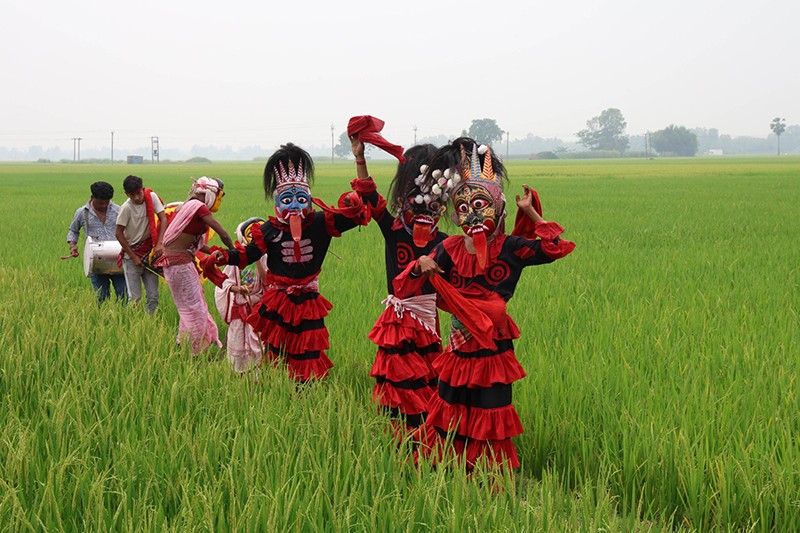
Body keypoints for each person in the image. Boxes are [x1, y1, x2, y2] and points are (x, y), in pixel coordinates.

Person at [394, 138, 575, 471]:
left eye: (481, 205)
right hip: (459, 348)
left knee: (490, 412)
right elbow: (406, 282)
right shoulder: (448, 248)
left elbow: (554, 249)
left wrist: (531, 213)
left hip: (493, 351)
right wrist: (421, 263)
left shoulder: (511, 247)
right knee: (449, 409)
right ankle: (446, 467)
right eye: (463, 207)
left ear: (499, 208)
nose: (472, 214)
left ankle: (489, 475)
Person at [206, 143, 376, 382]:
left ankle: (303, 397)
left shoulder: (320, 222)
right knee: (276, 355)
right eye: (287, 199)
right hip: (279, 302)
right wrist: (223, 255)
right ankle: (278, 397)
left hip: (308, 302)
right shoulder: (269, 230)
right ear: (277, 202)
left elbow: (362, 209)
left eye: (301, 198)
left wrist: (359, 161)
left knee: (307, 355)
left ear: (309, 199)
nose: (294, 205)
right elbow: (248, 255)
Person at [351, 137, 449, 436]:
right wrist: (360, 159)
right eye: (416, 201)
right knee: (400, 386)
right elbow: (370, 198)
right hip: (399, 323)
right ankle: (399, 442)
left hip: (429, 323)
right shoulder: (393, 229)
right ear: (403, 199)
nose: (424, 212)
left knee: (429, 382)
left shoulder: (445, 242)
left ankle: (426, 441)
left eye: (433, 204)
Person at [155, 176, 234, 354]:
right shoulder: (199, 207)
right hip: (179, 265)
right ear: (210, 193)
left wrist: (220, 252)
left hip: (176, 264)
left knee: (189, 309)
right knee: (195, 312)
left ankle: (182, 346)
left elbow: (190, 243)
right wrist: (234, 251)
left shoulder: (187, 205)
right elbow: (222, 232)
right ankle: (193, 353)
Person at [214, 218, 268, 373]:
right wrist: (238, 289)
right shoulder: (236, 257)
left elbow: (266, 281)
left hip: (257, 307)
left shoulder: (264, 257)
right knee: (238, 340)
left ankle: (256, 374)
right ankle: (238, 372)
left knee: (257, 342)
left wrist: (257, 258)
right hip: (241, 308)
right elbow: (224, 282)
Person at [66, 181, 127, 303]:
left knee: (123, 294)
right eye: (100, 203)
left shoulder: (118, 211)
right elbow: (73, 231)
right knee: (102, 296)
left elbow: (128, 231)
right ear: (92, 197)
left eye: (107, 202)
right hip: (95, 261)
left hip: (118, 260)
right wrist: (73, 246)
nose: (104, 205)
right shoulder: (82, 213)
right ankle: (103, 318)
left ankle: (122, 318)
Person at [115, 175, 167, 314]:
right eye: (133, 195)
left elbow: (163, 218)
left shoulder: (152, 198)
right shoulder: (126, 208)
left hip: (150, 254)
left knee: (153, 296)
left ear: (143, 189)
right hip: (132, 255)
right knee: (135, 298)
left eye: (139, 193)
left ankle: (150, 322)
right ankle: (131, 323)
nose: (137, 198)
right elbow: (118, 233)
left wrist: (159, 244)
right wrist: (133, 257)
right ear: (127, 194)